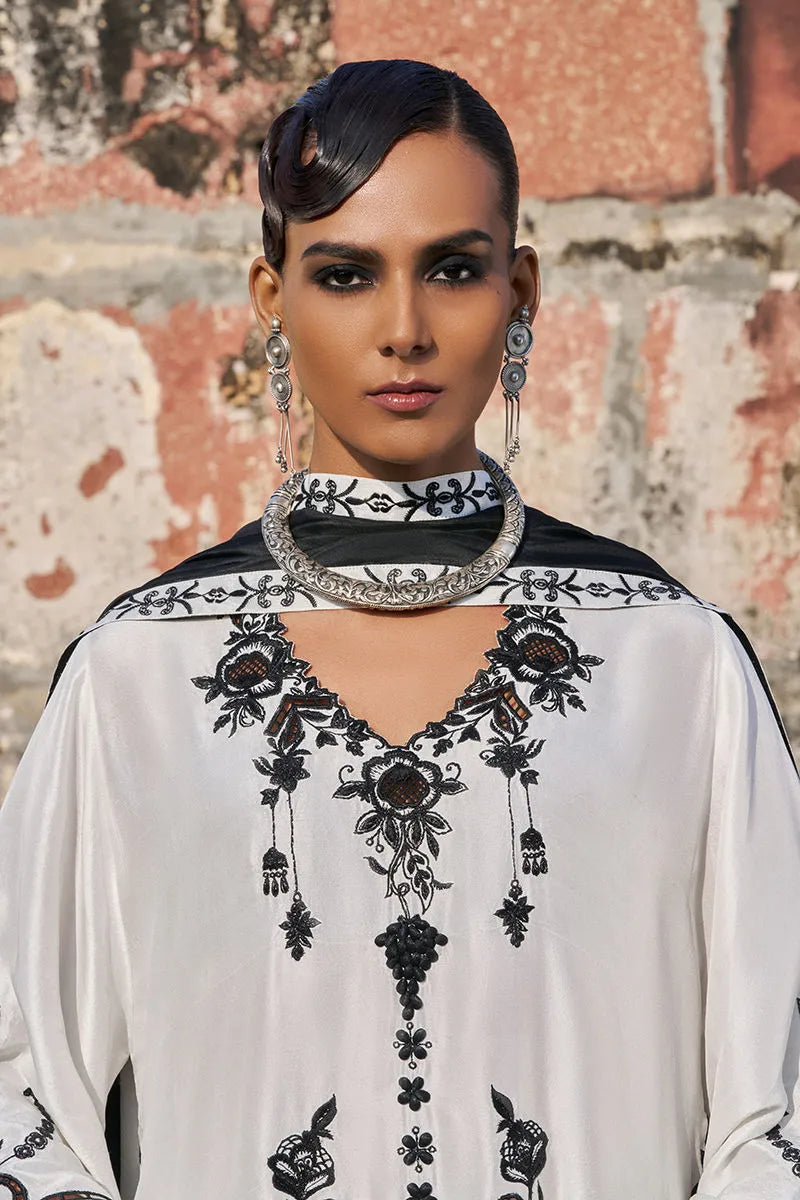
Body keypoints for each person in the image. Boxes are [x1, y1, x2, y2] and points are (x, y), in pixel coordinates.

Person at [1, 57, 799, 1200]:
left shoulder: (671, 667)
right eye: (343, 274)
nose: (404, 329)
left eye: (454, 270)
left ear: (520, 293)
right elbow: (26, 1109)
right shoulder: (136, 678)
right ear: (271, 300)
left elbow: (773, 1110)